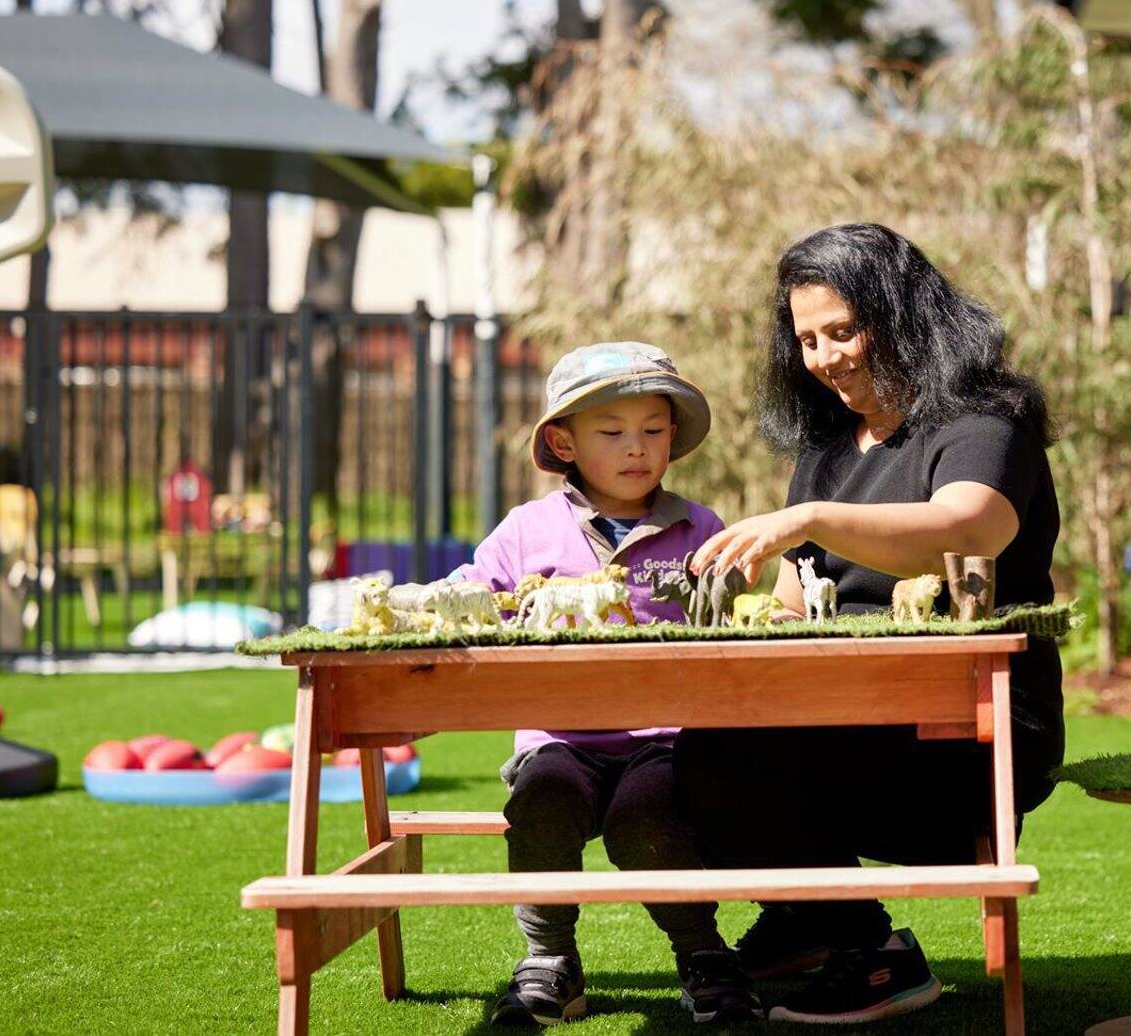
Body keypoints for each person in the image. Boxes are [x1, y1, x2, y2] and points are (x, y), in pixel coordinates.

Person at [676, 223, 1064, 1024]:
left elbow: (973, 527)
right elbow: (794, 600)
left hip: (966, 731)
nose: (824, 358)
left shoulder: (985, 416)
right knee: (689, 750)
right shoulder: (826, 445)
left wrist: (811, 518)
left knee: (726, 759)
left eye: (843, 330)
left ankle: (871, 950)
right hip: (845, 717)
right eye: (807, 339)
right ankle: (806, 912)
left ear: (903, 312)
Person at [450, 341, 762, 1026]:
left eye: (653, 430)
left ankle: (702, 950)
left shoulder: (699, 528)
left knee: (646, 815)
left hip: (663, 738)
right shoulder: (525, 531)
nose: (636, 449)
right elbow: (470, 594)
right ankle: (550, 957)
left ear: (673, 436)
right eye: (612, 432)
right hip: (557, 733)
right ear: (563, 440)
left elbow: (738, 614)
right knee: (542, 797)